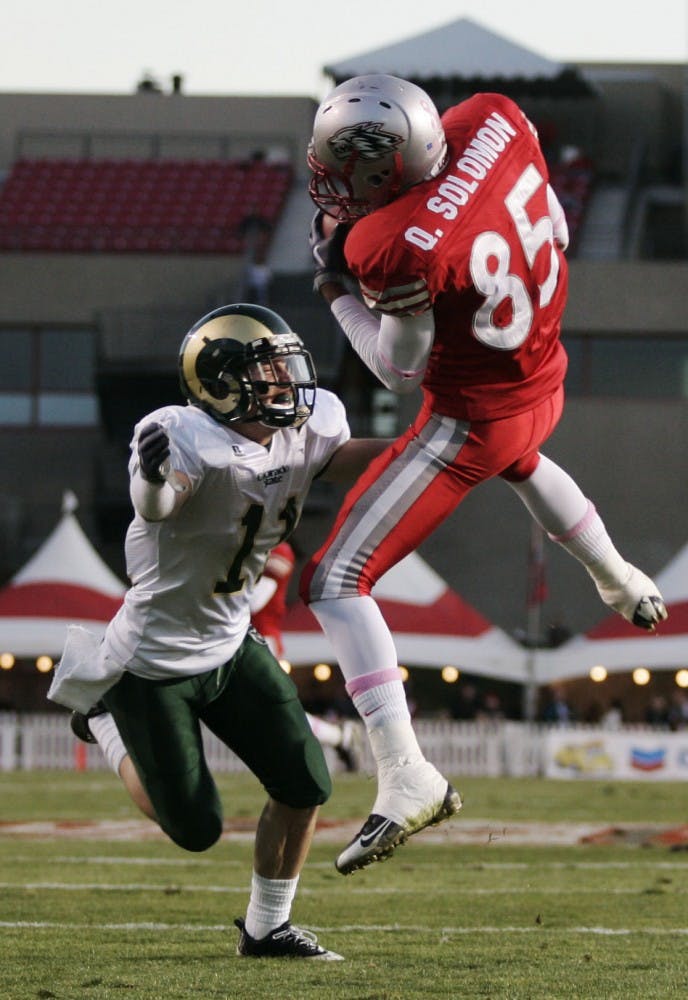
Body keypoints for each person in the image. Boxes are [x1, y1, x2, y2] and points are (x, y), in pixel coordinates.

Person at [302, 74, 668, 875]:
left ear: (383, 169)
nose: (331, 181)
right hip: (545, 374)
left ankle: (407, 776)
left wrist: (335, 286)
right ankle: (618, 577)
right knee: (525, 462)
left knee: (334, 580)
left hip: (472, 421)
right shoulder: (494, 119)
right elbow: (560, 232)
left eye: (345, 167)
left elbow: (397, 367)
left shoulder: (387, 246)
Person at [48, 302, 388, 960]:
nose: (286, 380)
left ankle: (267, 928)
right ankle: (104, 719)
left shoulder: (302, 431)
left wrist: (441, 448)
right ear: (221, 380)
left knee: (306, 785)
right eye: (267, 368)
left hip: (232, 646)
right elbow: (161, 499)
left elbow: (352, 459)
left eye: (285, 364)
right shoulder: (181, 434)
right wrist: (148, 478)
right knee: (196, 826)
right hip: (152, 665)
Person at [249, 540, 364, 771]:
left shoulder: (279, 549)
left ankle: (338, 737)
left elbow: (254, 601)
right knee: (267, 714)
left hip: (261, 640)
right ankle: (339, 737)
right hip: (239, 639)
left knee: (273, 713)